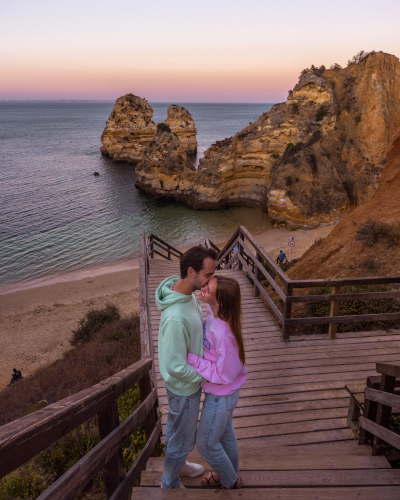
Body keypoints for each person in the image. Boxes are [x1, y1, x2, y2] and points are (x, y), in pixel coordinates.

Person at [156, 245, 217, 489]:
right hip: (184, 388)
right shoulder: (174, 317)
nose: (211, 281)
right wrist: (205, 373)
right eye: (208, 275)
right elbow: (174, 366)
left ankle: (178, 466)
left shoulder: (187, 291)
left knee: (174, 428)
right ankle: (169, 482)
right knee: (182, 439)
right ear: (191, 272)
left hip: (184, 386)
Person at [187, 275, 247, 490]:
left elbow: (224, 375)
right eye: (206, 285)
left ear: (220, 301)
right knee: (226, 436)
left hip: (221, 395)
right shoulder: (213, 313)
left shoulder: (223, 333)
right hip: (221, 393)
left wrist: (191, 359)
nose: (203, 289)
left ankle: (231, 481)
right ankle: (227, 473)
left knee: (205, 444)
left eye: (208, 290)